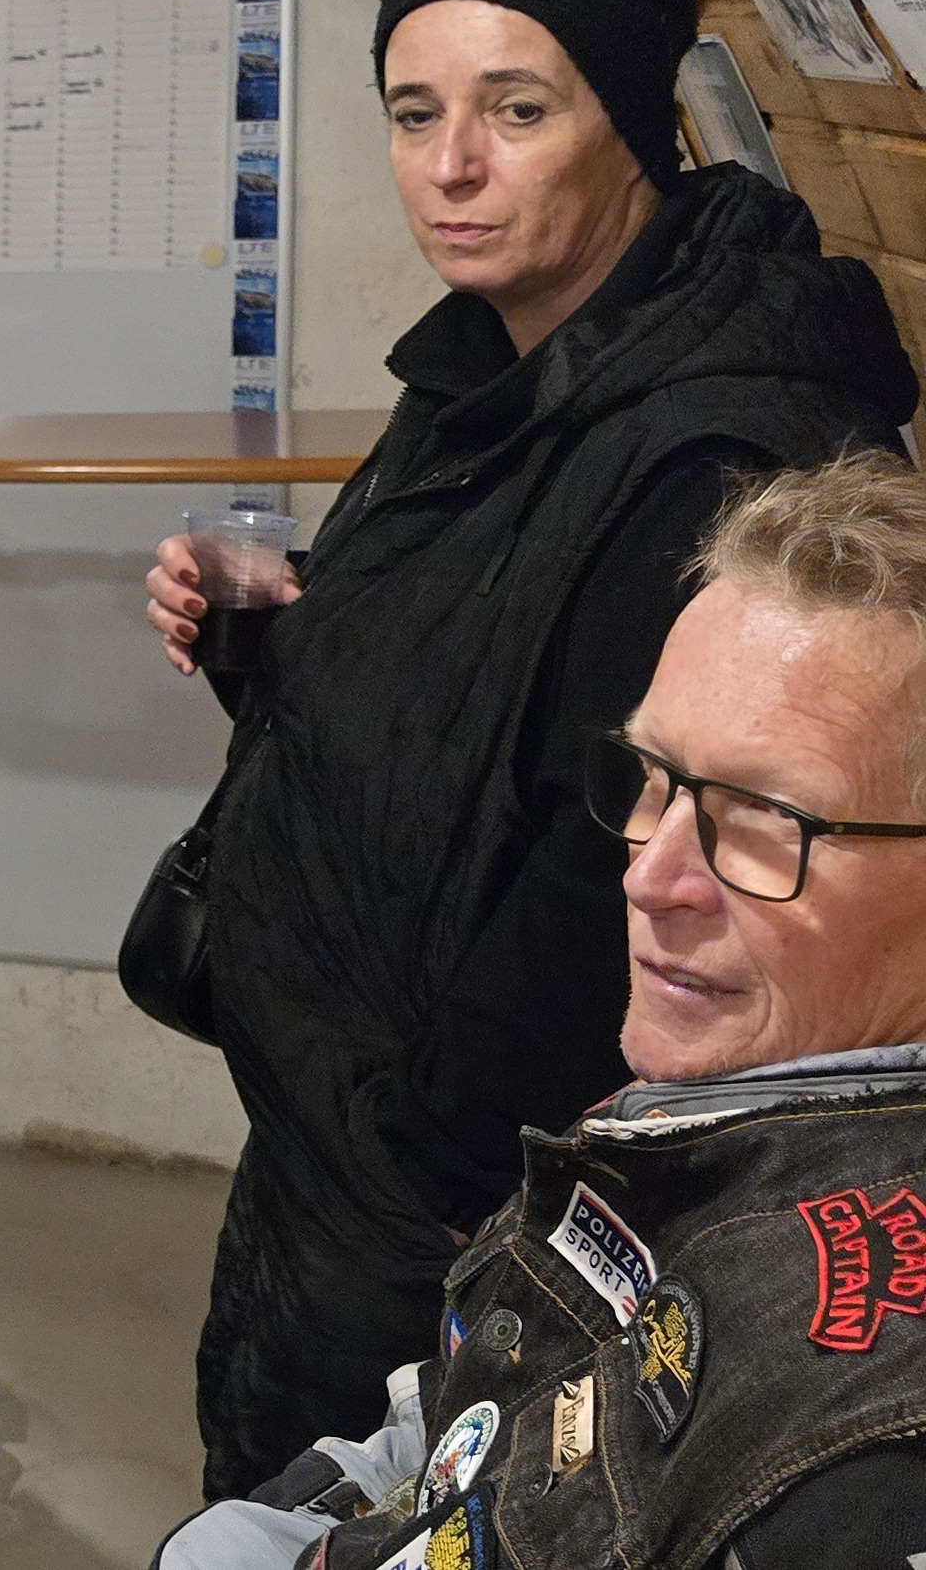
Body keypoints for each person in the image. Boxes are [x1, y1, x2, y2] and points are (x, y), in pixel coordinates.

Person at [136, 0, 917, 1494]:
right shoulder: (492, 369)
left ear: (631, 120)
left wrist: (419, 1167)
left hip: (453, 1221)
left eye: (517, 109)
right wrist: (267, 636)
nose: (452, 166)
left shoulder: (715, 456)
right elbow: (466, 717)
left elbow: (616, 887)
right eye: (414, 113)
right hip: (334, 1164)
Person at [160, 454, 926, 1568]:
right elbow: (474, 1418)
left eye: (766, 819)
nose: (651, 876)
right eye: (655, 780)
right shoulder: (703, 1108)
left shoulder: (863, 1461)